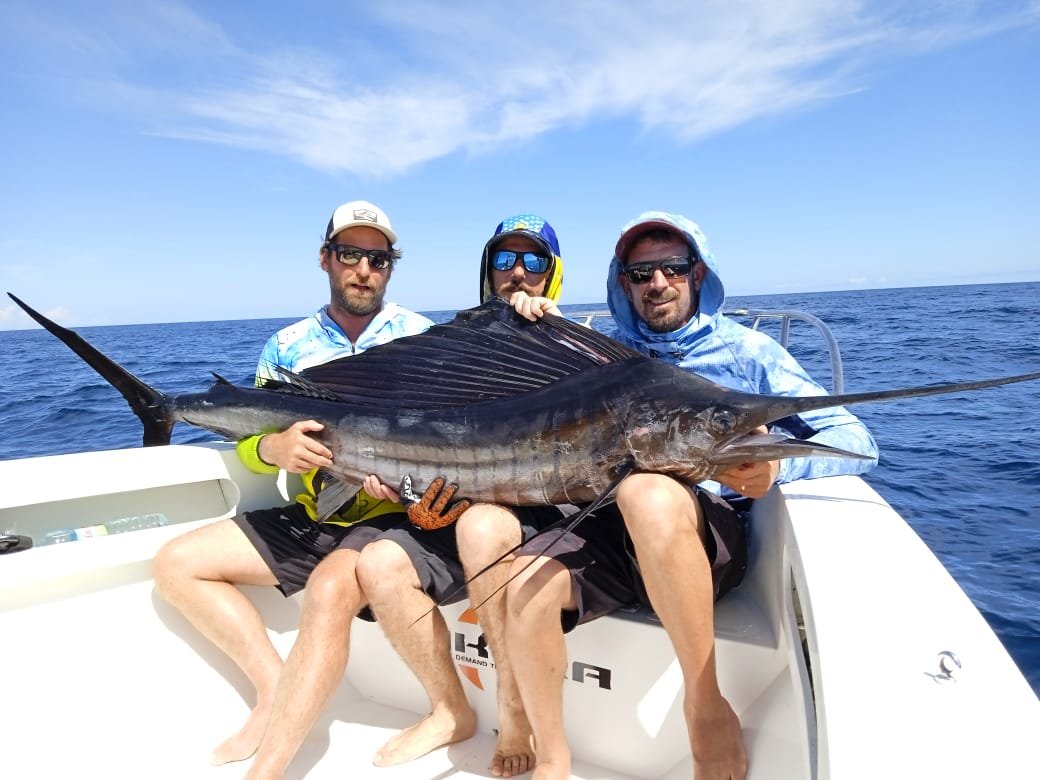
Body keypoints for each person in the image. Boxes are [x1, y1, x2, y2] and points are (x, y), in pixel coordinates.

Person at [498, 211, 879, 780]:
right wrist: (530, 325)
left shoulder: (750, 355)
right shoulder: (599, 352)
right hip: (610, 532)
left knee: (650, 491)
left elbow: (854, 440)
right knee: (523, 583)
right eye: (641, 272)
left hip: (704, 539)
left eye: (673, 268)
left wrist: (772, 467)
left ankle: (704, 704)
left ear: (698, 275)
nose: (658, 283)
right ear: (622, 282)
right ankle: (552, 756)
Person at [152, 200, 475, 779]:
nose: (363, 270)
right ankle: (276, 689)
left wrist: (404, 486)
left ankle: (269, 768)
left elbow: (448, 442)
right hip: (316, 509)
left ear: (389, 268)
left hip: (391, 516)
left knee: (330, 589)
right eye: (350, 254)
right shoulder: (286, 346)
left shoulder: (422, 337)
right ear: (326, 259)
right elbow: (253, 437)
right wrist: (270, 450)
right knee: (178, 564)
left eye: (378, 258)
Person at [365, 213, 564, 778]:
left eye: (534, 261)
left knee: (481, 527)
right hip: (454, 507)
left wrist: (553, 330)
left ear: (553, 274)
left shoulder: (577, 346)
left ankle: (512, 704)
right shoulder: (453, 346)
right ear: (487, 271)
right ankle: (448, 710)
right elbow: (416, 456)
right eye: (504, 260)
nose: (518, 273)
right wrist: (409, 500)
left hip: (532, 518)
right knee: (378, 563)